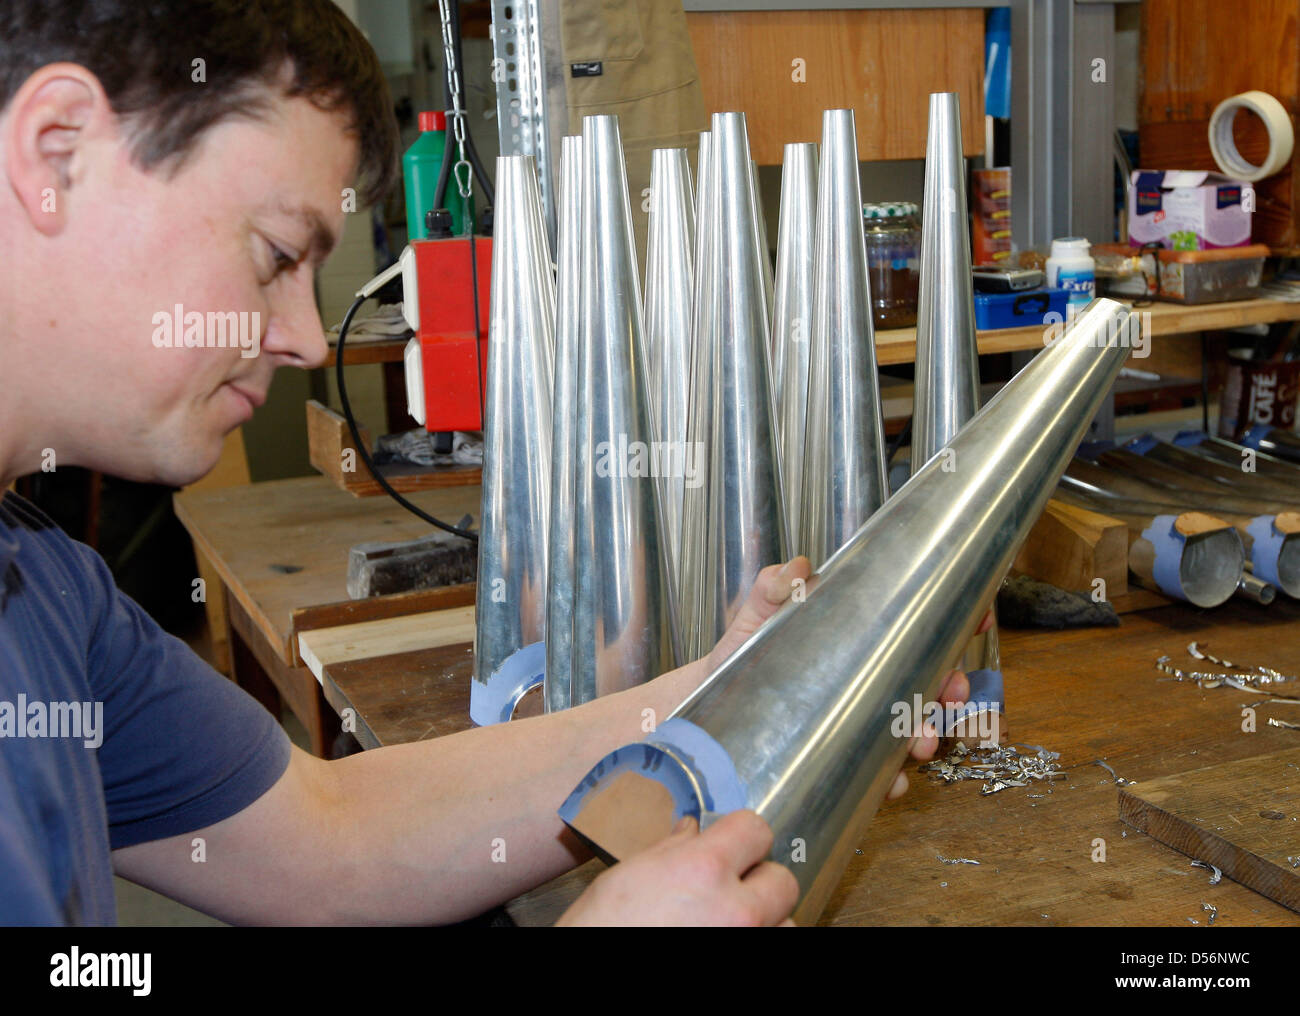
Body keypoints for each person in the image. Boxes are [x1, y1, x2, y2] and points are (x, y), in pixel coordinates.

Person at [0, 0, 974, 926]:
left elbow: (329, 836)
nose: (303, 335)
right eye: (275, 253)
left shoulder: (47, 594)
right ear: (58, 152)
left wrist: (730, 686)